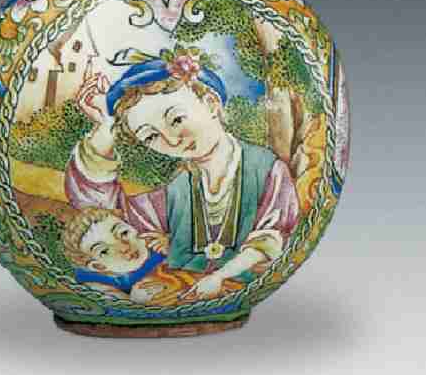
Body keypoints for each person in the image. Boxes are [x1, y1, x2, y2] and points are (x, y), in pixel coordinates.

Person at [64, 46, 300, 300]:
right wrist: (105, 129)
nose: (171, 141)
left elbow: (271, 240)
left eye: (176, 120)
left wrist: (219, 277)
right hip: (186, 290)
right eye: (151, 136)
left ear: (211, 103)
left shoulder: (267, 170)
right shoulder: (176, 189)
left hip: (239, 287)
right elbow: (99, 210)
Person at [62, 206, 242, 305]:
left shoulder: (155, 244)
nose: (124, 247)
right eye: (104, 251)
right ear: (98, 266)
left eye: (123, 233)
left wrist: (174, 247)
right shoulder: (99, 282)